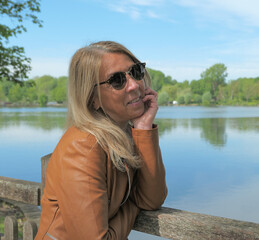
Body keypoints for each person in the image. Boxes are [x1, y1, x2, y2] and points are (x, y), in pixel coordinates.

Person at [35, 41, 167, 240]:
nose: (134, 85)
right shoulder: (82, 147)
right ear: (92, 98)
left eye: (136, 71)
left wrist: (143, 129)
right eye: (117, 80)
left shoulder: (122, 135)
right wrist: (134, 202)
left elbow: (151, 200)